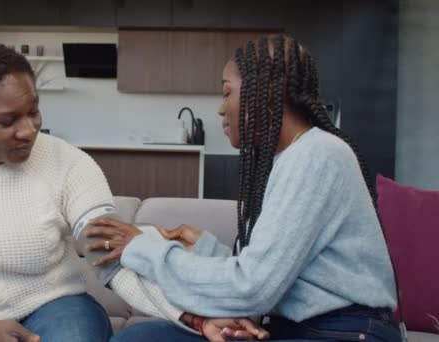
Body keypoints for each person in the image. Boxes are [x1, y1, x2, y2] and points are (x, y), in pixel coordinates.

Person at [0, 43, 213, 342]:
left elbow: (109, 255)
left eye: (33, 112)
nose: (28, 131)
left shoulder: (68, 162)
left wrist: (193, 318)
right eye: (8, 121)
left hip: (56, 304)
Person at [86, 35, 401, 342]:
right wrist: (206, 249)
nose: (221, 109)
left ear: (264, 92)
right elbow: (268, 275)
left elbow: (252, 289)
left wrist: (142, 247)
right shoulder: (291, 157)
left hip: (344, 332)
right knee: (143, 336)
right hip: (299, 327)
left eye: (226, 92)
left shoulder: (317, 155)